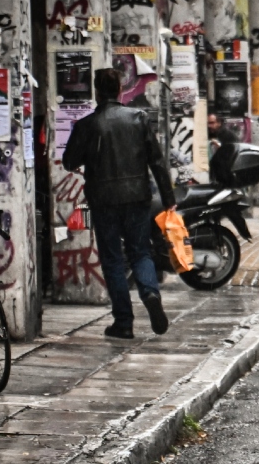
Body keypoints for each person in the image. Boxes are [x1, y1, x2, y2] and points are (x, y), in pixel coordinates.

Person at [62, 68, 176, 340]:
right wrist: (168, 199)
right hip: (137, 197)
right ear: (121, 90)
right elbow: (157, 161)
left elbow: (69, 161)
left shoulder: (87, 125)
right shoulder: (138, 118)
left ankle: (123, 323)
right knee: (140, 252)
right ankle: (149, 291)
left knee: (113, 259)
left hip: (103, 201)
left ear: (96, 92)